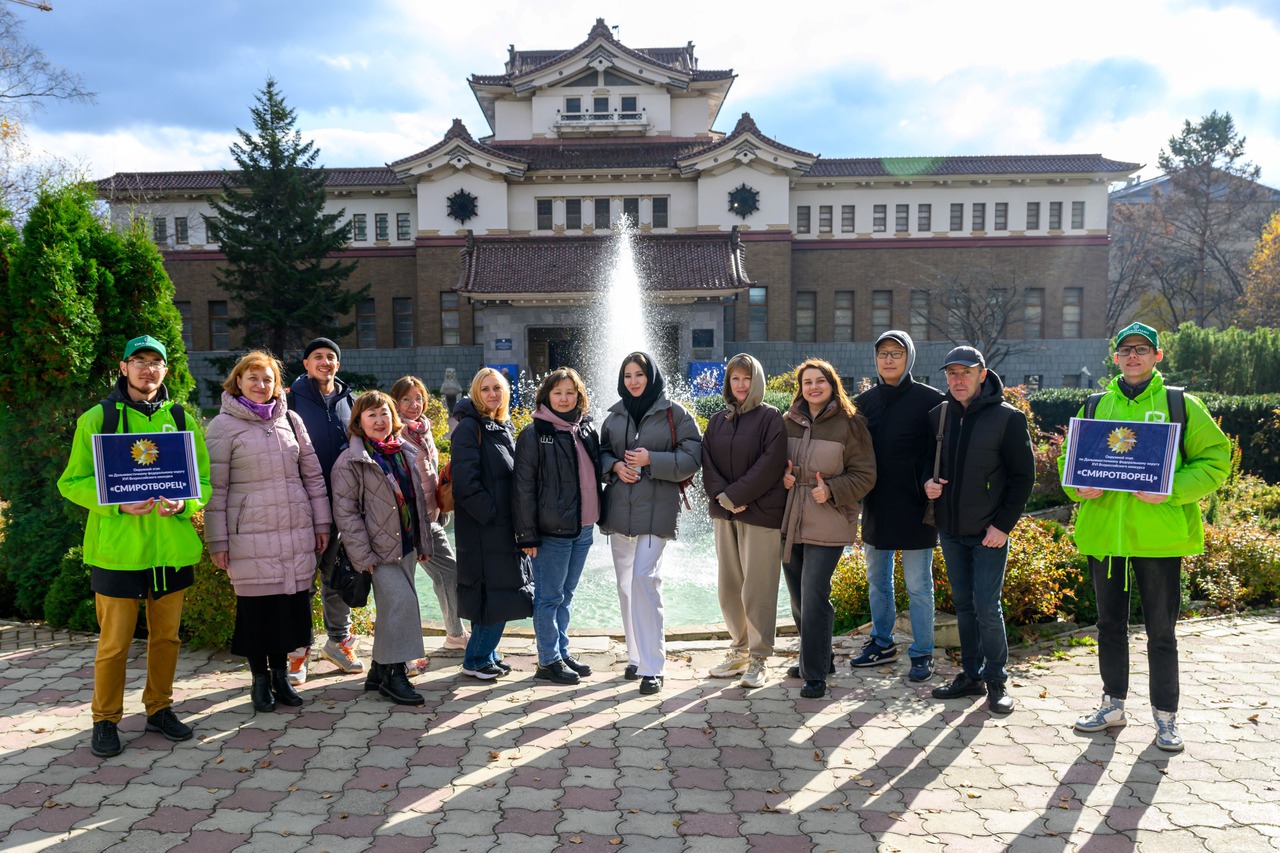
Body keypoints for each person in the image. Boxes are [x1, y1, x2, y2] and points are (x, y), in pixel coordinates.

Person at [1061, 322, 1230, 752]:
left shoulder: (1179, 404)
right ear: (1115, 357)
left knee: (1161, 632)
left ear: (1157, 356)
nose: (1132, 355)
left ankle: (1166, 718)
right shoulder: (1096, 404)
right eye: (1124, 349)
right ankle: (1113, 704)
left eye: (1141, 349)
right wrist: (1076, 486)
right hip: (1106, 536)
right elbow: (1071, 459)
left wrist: (1171, 490)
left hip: (1159, 538)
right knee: (1109, 626)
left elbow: (1215, 461)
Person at [57, 335, 211, 757]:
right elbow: (70, 482)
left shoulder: (182, 419)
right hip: (118, 553)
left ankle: (159, 709)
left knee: (167, 640)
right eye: (138, 361)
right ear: (123, 367)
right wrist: (116, 504)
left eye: (155, 362)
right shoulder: (98, 418)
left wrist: (186, 503)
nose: (148, 369)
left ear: (166, 370)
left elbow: (204, 483)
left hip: (170, 550)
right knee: (114, 645)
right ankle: (105, 720)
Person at [204, 351, 331, 713]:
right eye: (253, 379)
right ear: (238, 382)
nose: (261, 386)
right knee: (258, 611)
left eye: (268, 379)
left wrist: (321, 522)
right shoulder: (223, 426)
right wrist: (218, 540)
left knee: (288, 608)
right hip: (250, 535)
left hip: (293, 530)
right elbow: (216, 489)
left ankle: (281, 678)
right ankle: (260, 681)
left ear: (278, 385)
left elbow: (312, 476)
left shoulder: (290, 420)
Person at [925, 346, 1034, 715]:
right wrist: (927, 483)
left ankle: (997, 680)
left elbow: (1023, 478)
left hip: (989, 532)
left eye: (965, 373)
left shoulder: (1008, 418)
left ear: (982, 375)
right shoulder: (939, 415)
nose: (958, 380)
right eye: (951, 374)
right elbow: (927, 464)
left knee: (987, 607)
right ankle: (970, 675)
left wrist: (1002, 526)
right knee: (965, 606)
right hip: (951, 529)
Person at [600, 351, 702, 695]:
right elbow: (599, 452)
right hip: (618, 510)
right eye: (627, 375)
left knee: (645, 580)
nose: (633, 381)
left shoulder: (676, 414)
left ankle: (653, 667)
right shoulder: (613, 416)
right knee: (626, 585)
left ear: (652, 376)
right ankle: (635, 656)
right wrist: (614, 467)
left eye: (639, 374)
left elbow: (692, 458)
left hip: (656, 510)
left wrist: (650, 460)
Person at [330, 391, 436, 705]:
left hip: (405, 546)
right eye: (371, 415)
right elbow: (346, 513)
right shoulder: (351, 459)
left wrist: (422, 542)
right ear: (359, 421)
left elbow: (415, 501)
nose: (379, 421)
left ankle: (378, 670)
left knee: (394, 607)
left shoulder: (402, 450)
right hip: (376, 552)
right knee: (401, 604)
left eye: (384, 413)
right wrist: (363, 556)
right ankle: (395, 675)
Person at [851, 331, 945, 682]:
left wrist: (930, 482)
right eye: (883, 354)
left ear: (909, 358)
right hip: (877, 503)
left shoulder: (931, 401)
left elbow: (939, 453)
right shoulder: (863, 403)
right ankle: (882, 642)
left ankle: (922, 651)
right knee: (877, 580)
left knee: (918, 584)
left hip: (919, 505)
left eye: (896, 353)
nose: (889, 360)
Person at [781, 358, 877, 699]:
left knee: (814, 593)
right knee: (797, 597)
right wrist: (783, 476)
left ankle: (815, 673)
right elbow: (776, 463)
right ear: (801, 388)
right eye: (807, 382)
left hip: (829, 518)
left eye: (820, 381)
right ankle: (821, 657)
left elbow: (866, 475)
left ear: (832, 384)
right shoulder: (787, 421)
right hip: (790, 519)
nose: (813, 387)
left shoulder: (850, 425)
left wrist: (832, 490)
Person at [702, 353, 788, 688]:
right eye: (735, 379)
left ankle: (759, 657)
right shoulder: (718, 420)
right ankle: (738, 650)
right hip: (725, 513)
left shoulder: (770, 418)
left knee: (758, 588)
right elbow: (707, 460)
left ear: (757, 382)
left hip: (761, 515)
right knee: (729, 588)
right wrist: (723, 496)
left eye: (746, 379)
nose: (740, 385)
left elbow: (771, 464)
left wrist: (735, 495)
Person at [513, 368, 603, 686]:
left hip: (584, 526)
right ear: (546, 396)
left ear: (579, 396)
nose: (564, 399)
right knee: (549, 597)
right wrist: (527, 534)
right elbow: (522, 488)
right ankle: (547, 661)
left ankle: (561, 652)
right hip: (552, 531)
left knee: (566, 595)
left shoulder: (585, 428)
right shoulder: (535, 433)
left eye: (570, 393)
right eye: (558, 393)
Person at [286, 337, 361, 684]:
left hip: (343, 503)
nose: (325, 362)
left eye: (331, 357)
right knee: (302, 580)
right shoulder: (289, 400)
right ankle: (297, 653)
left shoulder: (351, 400)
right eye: (318, 357)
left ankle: (338, 642)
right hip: (303, 504)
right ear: (306, 363)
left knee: (338, 576)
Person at [451, 368, 534, 679]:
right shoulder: (469, 428)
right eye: (485, 389)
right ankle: (475, 659)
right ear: (475, 392)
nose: (491, 394)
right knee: (494, 593)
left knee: (492, 594)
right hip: (484, 530)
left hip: (497, 527)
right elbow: (465, 485)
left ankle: (486, 652)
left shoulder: (500, 425)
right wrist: (495, 516)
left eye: (497, 388)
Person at [390, 376, 469, 655]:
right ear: (395, 401)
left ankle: (455, 634)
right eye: (406, 399)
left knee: (448, 572)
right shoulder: (392, 432)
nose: (414, 405)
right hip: (405, 522)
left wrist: (439, 507)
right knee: (403, 586)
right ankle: (403, 652)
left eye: (419, 398)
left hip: (431, 519)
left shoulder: (424, 429)